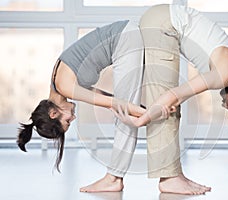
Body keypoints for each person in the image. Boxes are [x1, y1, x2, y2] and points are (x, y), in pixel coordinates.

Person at [113, 4, 228, 195]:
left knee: (169, 105)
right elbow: (174, 96)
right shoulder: (226, 73)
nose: (225, 106)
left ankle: (174, 175)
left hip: (163, 21)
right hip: (163, 24)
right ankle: (169, 179)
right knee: (167, 104)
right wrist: (141, 120)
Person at [17, 20, 146, 192]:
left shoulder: (66, 87)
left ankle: (114, 178)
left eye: (67, 122)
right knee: (125, 112)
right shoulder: (61, 83)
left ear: (54, 113)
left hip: (125, 40)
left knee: (124, 119)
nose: (73, 118)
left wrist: (147, 112)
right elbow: (108, 100)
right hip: (127, 36)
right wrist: (141, 108)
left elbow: (114, 104)